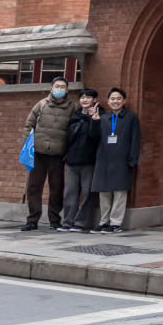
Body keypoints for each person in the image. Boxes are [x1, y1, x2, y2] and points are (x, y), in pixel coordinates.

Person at [21, 76, 75, 231]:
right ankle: (32, 220)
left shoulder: (72, 107)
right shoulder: (41, 104)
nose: (59, 89)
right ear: (51, 88)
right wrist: (28, 145)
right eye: (57, 86)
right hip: (38, 153)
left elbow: (74, 130)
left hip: (58, 154)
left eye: (62, 87)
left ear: (67, 90)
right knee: (33, 187)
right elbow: (29, 125)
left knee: (57, 188)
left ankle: (55, 220)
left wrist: (68, 151)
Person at [91, 88, 140, 233]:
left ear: (124, 101)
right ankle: (103, 221)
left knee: (119, 192)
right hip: (104, 159)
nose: (115, 101)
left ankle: (115, 223)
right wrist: (94, 122)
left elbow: (135, 139)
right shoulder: (103, 118)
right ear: (108, 101)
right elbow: (93, 137)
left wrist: (132, 159)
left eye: (118, 98)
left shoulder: (131, 117)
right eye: (112, 99)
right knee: (104, 192)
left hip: (122, 159)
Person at [60, 89, 100, 234]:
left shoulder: (99, 116)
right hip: (72, 161)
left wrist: (94, 120)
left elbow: (95, 137)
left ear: (94, 100)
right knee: (70, 193)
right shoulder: (75, 117)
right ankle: (68, 222)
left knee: (88, 193)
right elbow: (68, 138)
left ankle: (81, 223)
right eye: (82, 97)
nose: (84, 100)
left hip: (89, 161)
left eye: (88, 97)